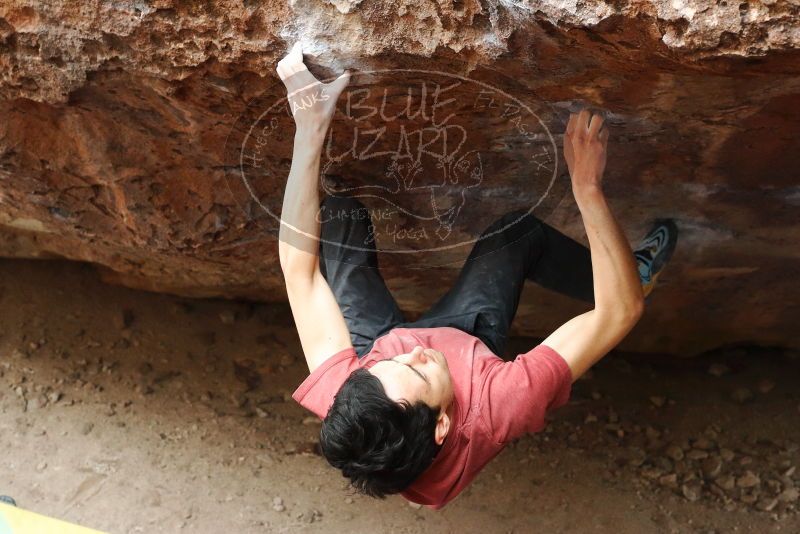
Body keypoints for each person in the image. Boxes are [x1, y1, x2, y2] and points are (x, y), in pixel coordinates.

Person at [275, 43, 678, 509]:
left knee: (340, 216)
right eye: (419, 373)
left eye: (390, 365)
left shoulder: (354, 395)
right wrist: (587, 189)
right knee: (514, 235)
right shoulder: (500, 404)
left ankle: (401, 390)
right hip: (469, 346)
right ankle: (635, 271)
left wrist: (310, 126)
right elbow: (619, 312)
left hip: (385, 361)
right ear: (442, 426)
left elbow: (298, 272)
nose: (416, 351)